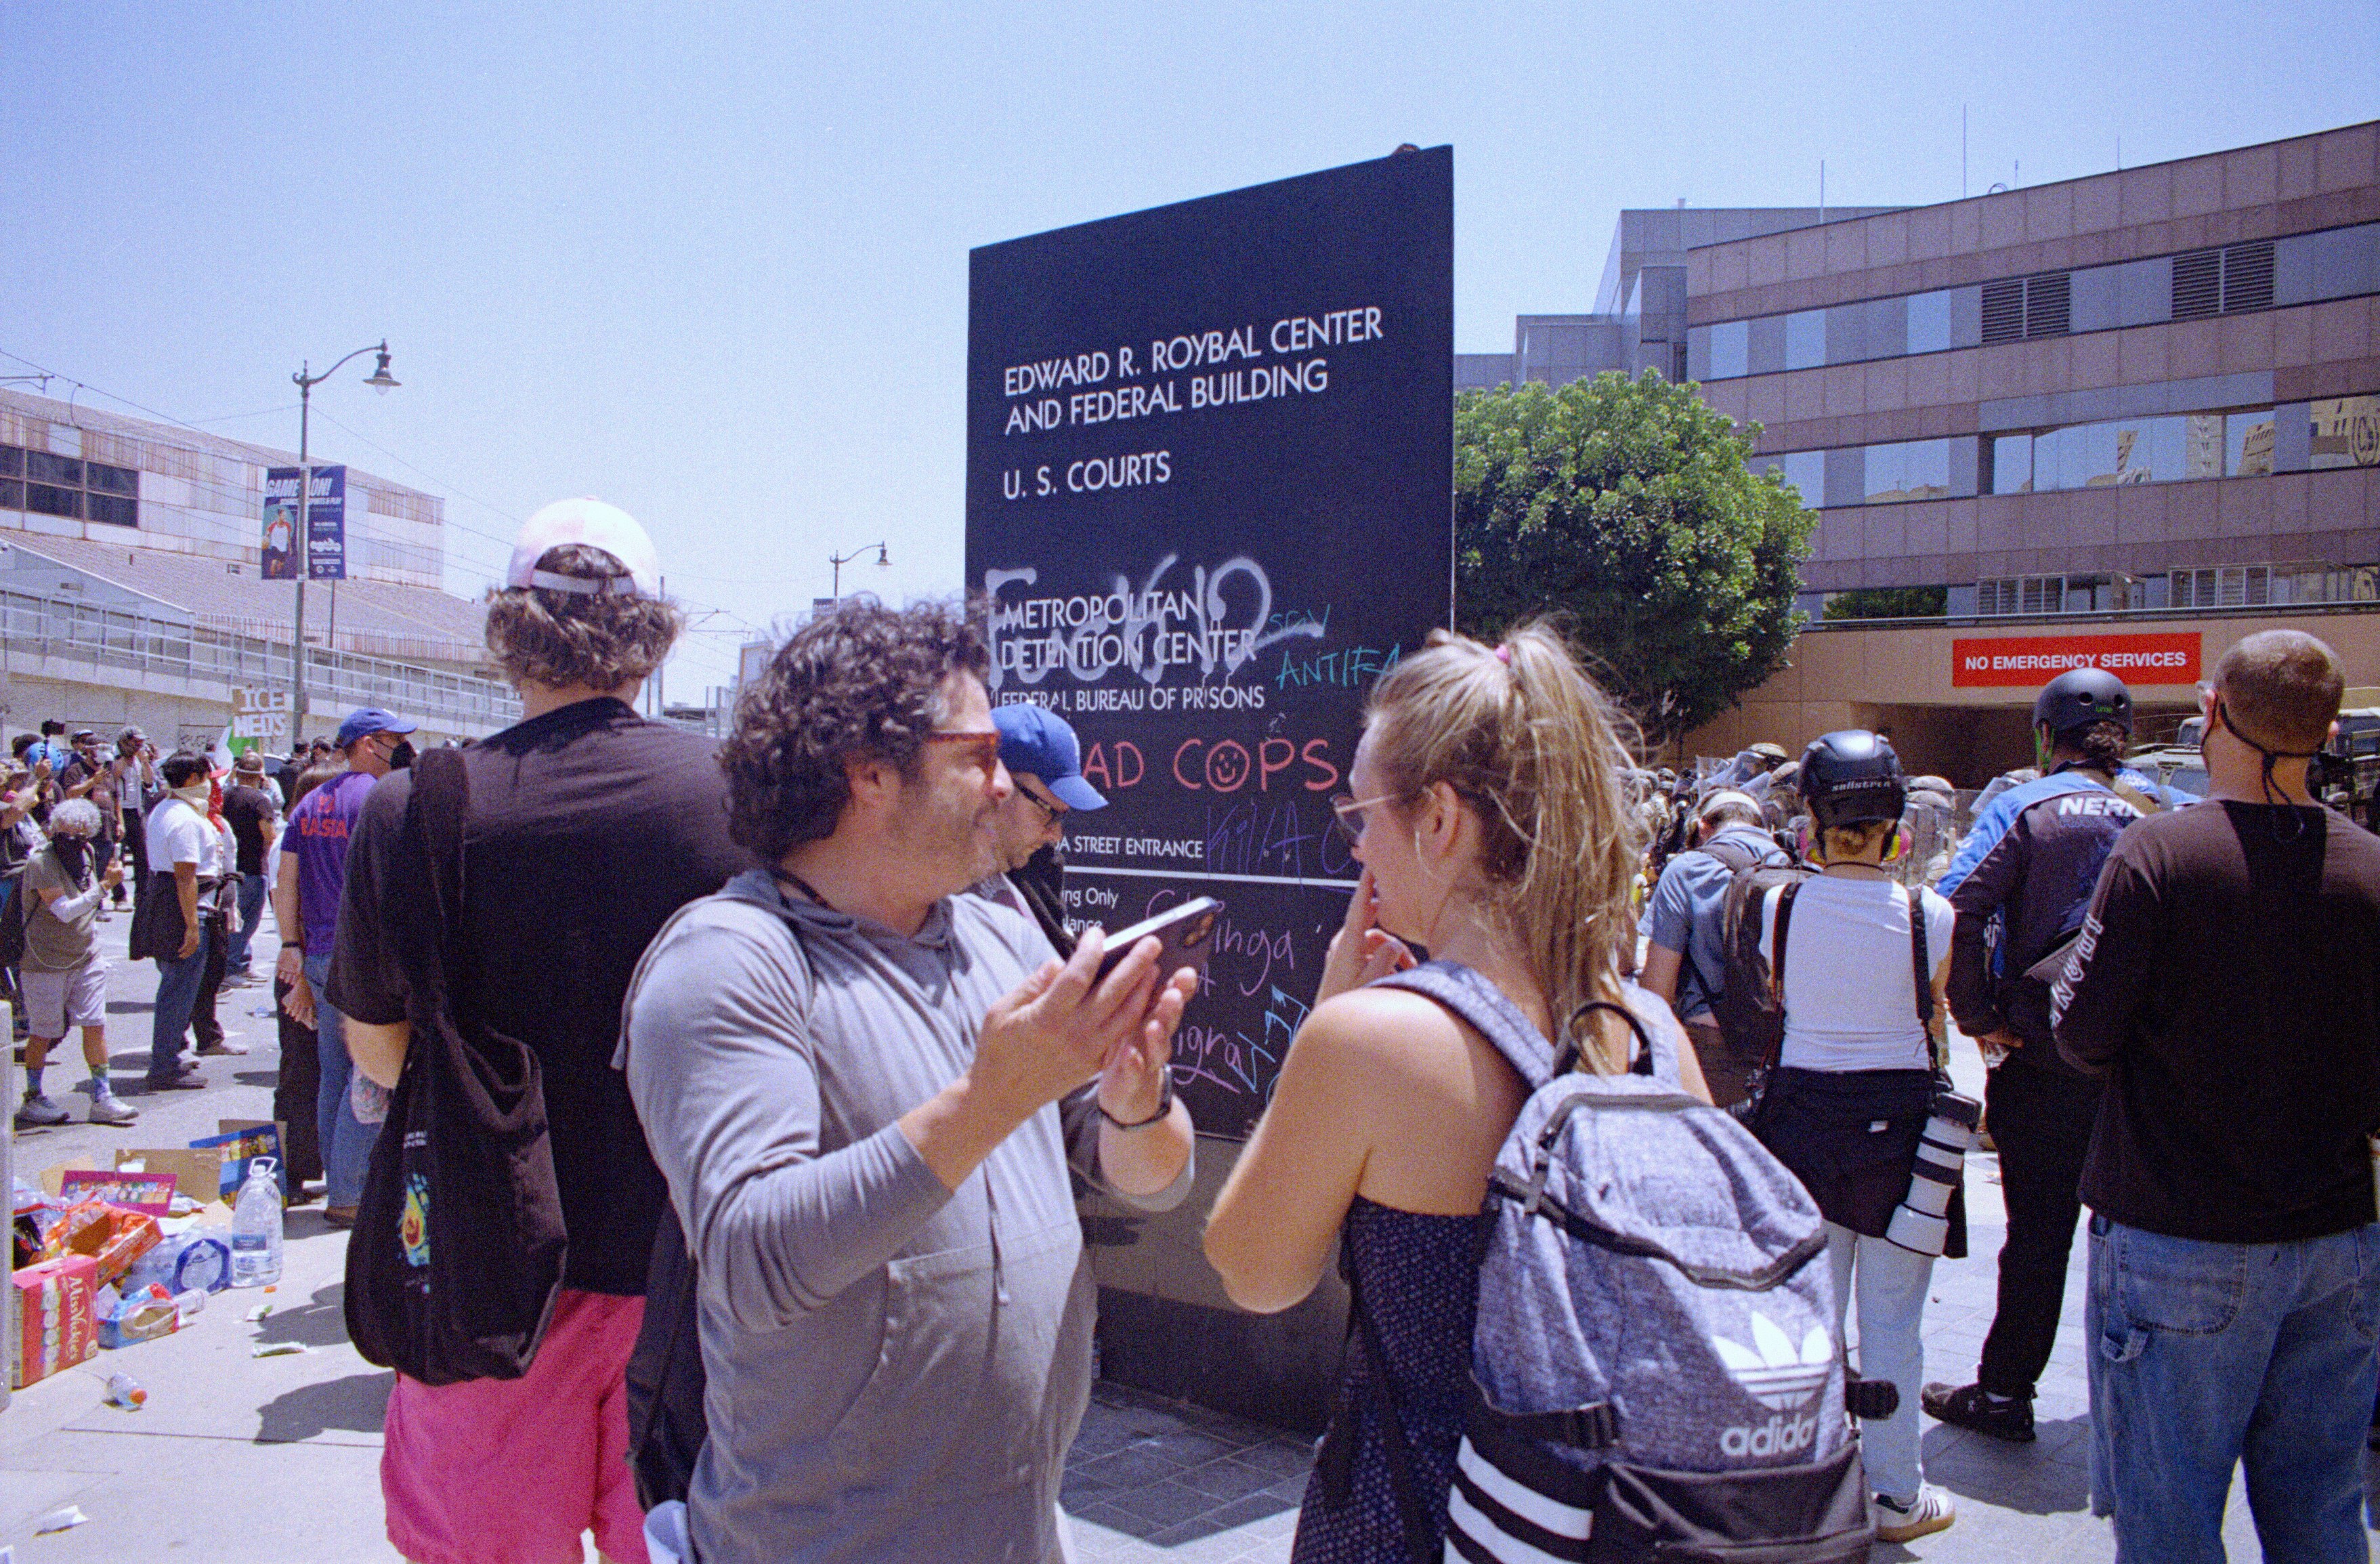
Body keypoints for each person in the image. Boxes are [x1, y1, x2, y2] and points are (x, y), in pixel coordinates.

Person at [621, 598, 1196, 1564]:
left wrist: (1138, 1106)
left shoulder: (1000, 933)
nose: (1002, 784)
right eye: (978, 754)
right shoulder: (730, 961)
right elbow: (754, 1260)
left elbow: (1153, 1180)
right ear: (870, 772)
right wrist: (987, 1103)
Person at [1204, 625, 1705, 1561]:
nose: (1358, 847)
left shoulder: (1374, 1040)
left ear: (1438, 819)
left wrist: (1323, 1017)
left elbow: (1253, 1270)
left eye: (1361, 815)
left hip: (1417, 1523)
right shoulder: (1653, 1036)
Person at [328, 499, 751, 1564]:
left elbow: (376, 1049)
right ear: (653, 636)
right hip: (697, 1271)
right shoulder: (737, 798)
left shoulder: (414, 808)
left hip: (488, 1276)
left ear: (509, 630)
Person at [2054, 631, 2380, 1563]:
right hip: (2337, 1241)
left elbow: (2080, 1032)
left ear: (2212, 712)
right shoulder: (2369, 866)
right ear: (2324, 731)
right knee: (2322, 1515)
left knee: (2168, 1523)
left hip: (2177, 1237)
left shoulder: (2157, 853)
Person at [1921, 669, 2146, 1444]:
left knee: (2039, 1235)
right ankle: (2135, 1401)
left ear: (2046, 737)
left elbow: (1955, 904)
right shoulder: (2157, 809)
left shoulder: (2023, 807)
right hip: (2137, 1065)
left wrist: (1977, 1013)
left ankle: (2005, 1392)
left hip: (2041, 1057)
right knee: (2136, 1235)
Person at [1745, 731, 1957, 1544]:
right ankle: (1896, 1495)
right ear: (1895, 821)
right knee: (1894, 1321)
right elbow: (1931, 1012)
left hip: (1801, 1124)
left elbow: (1778, 992)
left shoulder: (1778, 906)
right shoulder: (1930, 914)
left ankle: (1809, 1488)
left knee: (1810, 1315)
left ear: (1811, 818)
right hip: (1902, 1133)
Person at [278, 707, 413, 1223]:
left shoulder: (309, 802)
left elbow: (286, 880)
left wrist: (290, 944)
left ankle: (340, 1180)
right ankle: (350, 1191)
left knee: (334, 1072)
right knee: (371, 1073)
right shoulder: (380, 799)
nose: (400, 748)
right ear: (368, 743)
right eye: (392, 739)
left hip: (318, 952)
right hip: (362, 954)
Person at [1638, 787, 1792, 1107]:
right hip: (1779, 1053)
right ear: (1764, 827)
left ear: (1703, 827)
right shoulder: (1789, 868)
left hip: (1709, 1049)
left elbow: (1657, 990)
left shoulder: (1687, 869)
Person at [13, 799, 137, 1128]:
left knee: (95, 1024)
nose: (74, 842)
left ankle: (103, 1096)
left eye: (81, 836)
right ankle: (33, 1097)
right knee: (43, 1031)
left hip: (86, 956)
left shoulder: (87, 853)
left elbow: (88, 903)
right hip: (46, 961)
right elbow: (64, 911)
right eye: (66, 835)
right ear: (54, 831)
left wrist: (100, 893)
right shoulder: (41, 862)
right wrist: (106, 886)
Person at [978, 700, 1109, 953]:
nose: (1056, 835)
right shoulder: (928, 893)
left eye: (1062, 817)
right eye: (1046, 812)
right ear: (996, 786)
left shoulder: (1039, 871)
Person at [136, 750, 231, 1092]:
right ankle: (163, 1066)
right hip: (184, 910)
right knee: (178, 993)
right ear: (192, 779)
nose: (210, 785)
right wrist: (192, 926)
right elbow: (185, 876)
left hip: (170, 906)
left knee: (176, 988)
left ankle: (169, 1056)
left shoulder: (166, 809)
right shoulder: (184, 819)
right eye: (206, 778)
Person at [221, 749, 280, 984]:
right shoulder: (260, 801)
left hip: (230, 866)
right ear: (260, 775)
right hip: (253, 867)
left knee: (237, 916)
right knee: (247, 920)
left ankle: (242, 963)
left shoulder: (226, 795)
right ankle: (232, 968)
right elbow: (270, 835)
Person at [113, 730, 156, 910]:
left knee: (142, 855)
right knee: (117, 856)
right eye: (135, 742)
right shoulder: (116, 758)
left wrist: (145, 762)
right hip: (120, 810)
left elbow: (150, 782)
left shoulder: (139, 760)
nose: (139, 746)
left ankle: (142, 895)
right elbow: (114, 776)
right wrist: (127, 757)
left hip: (136, 811)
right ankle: (119, 895)